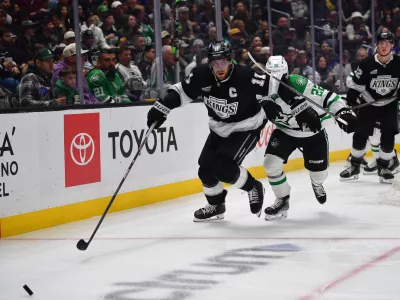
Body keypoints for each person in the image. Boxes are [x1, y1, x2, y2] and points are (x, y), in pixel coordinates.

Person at [146, 41, 321, 222]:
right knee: (205, 170)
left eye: (223, 62)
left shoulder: (245, 75)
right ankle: (216, 206)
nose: (219, 67)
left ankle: (253, 187)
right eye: (215, 63)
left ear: (230, 61)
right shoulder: (201, 75)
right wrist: (162, 107)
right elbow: (181, 92)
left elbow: (276, 86)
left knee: (223, 168)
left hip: (247, 126)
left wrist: (299, 107)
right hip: (218, 127)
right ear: (210, 63)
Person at [262, 55, 357, 220]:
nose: (275, 80)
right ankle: (283, 199)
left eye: (278, 74)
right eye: (271, 74)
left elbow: (328, 97)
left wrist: (342, 111)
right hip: (286, 131)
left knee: (319, 174)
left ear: (285, 72)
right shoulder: (261, 89)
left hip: (312, 132)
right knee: (270, 164)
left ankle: (317, 183)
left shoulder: (297, 83)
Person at [340, 31, 400, 183]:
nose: (384, 46)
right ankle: (354, 167)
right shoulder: (367, 63)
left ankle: (384, 167)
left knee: (388, 136)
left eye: (387, 43)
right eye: (381, 43)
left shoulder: (398, 62)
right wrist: (351, 99)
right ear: (377, 45)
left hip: (389, 104)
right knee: (360, 134)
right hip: (369, 102)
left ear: (392, 45)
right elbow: (357, 85)